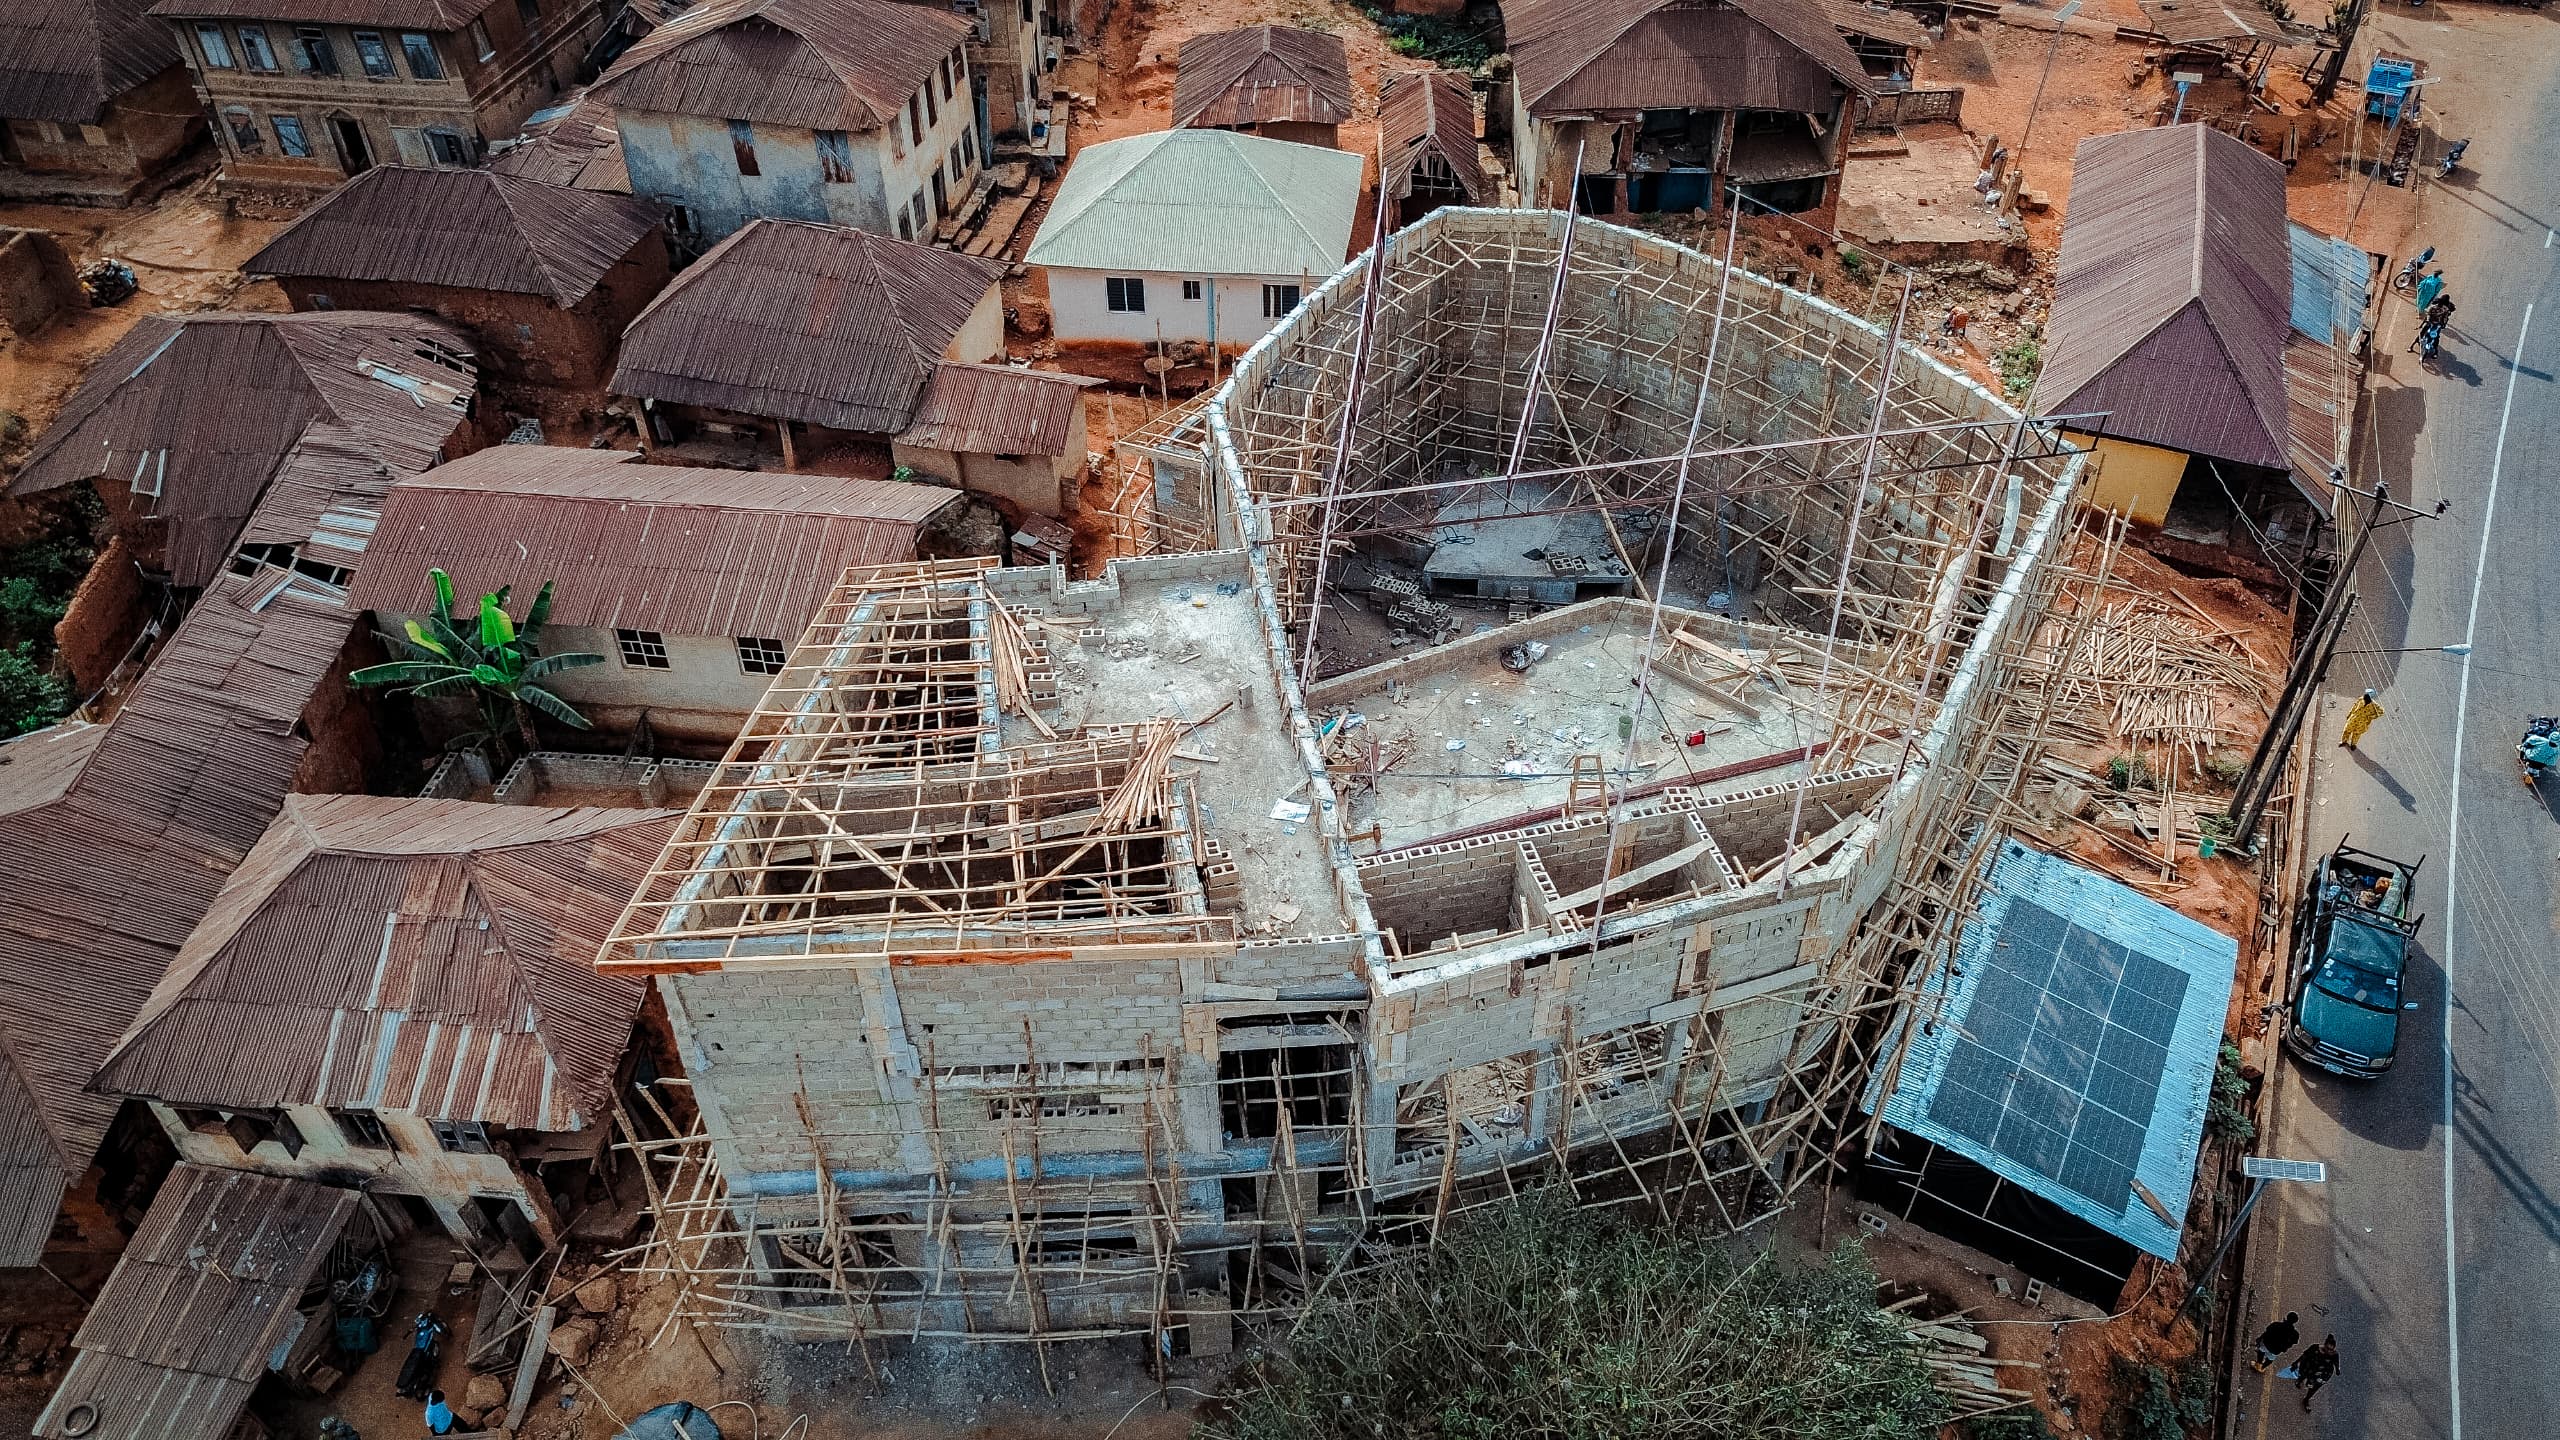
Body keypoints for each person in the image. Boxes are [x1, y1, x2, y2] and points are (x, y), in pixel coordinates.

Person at [2296, 1335, 2341, 1409]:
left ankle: (2306, 1399)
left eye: (2331, 1349)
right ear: (2324, 1345)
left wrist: (2337, 1370)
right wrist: (2296, 1362)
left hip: (2323, 1373)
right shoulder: (2315, 1348)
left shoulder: (2334, 1355)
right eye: (2327, 1348)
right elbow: (2305, 1355)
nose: (2329, 1351)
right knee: (2304, 1374)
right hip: (2311, 1368)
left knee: (2315, 1387)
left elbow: (2336, 1363)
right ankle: (2300, 1380)